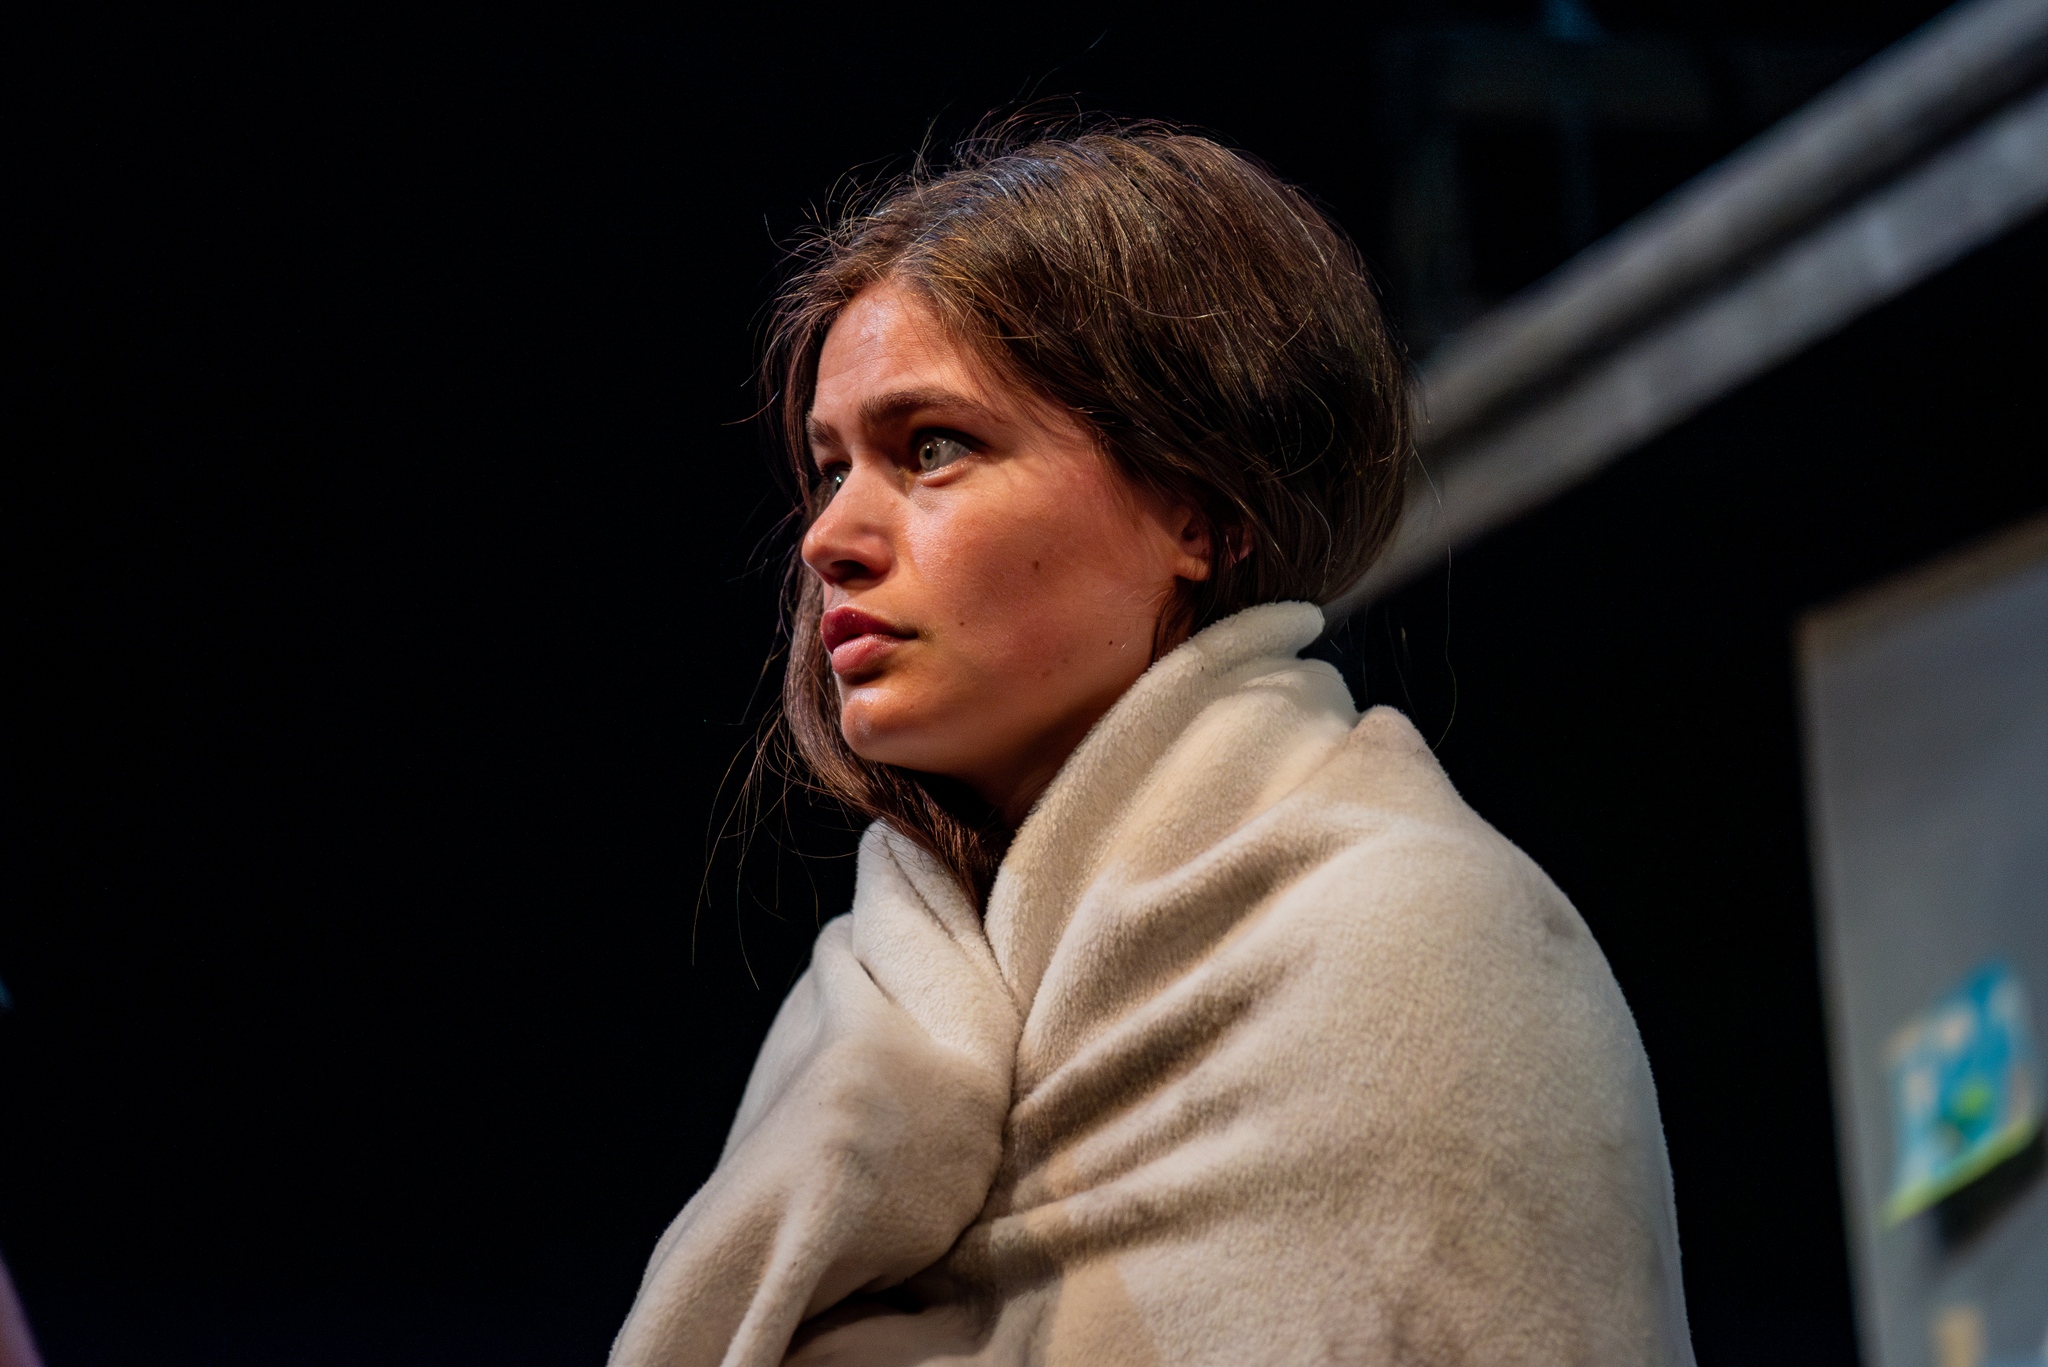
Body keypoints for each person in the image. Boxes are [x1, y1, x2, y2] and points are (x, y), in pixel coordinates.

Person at [611, 125, 1694, 1366]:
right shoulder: (852, 1018)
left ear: (1198, 509)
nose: (829, 536)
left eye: (932, 448)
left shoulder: (1420, 938)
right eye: (827, 464)